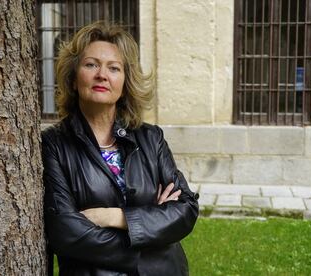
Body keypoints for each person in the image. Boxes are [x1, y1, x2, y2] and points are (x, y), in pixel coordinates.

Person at [42, 21, 199, 276]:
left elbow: (185, 209)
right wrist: (152, 241)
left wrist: (113, 217)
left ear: (125, 83)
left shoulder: (151, 138)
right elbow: (66, 231)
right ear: (73, 78)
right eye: (91, 64)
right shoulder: (54, 144)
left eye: (113, 68)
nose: (102, 75)